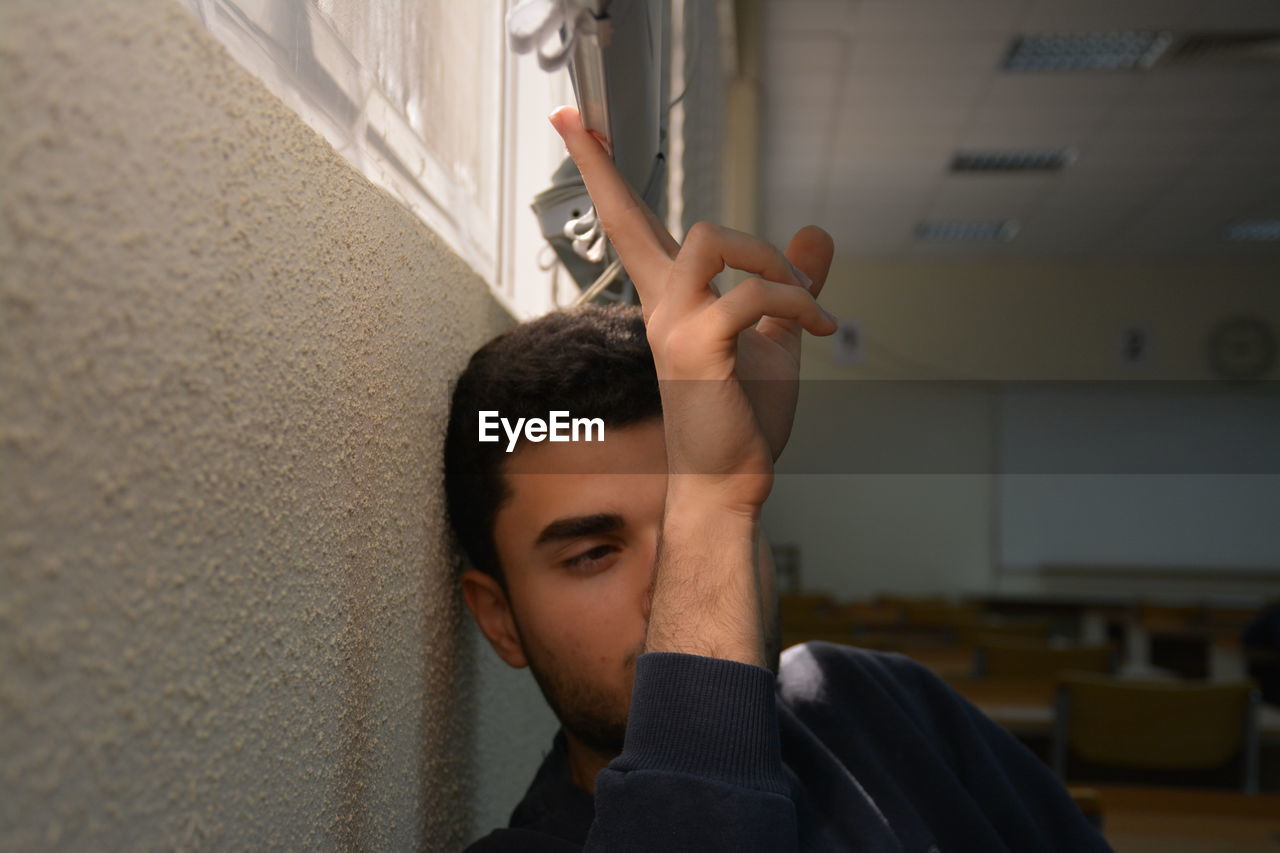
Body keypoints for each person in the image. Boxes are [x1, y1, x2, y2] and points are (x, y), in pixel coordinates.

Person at [443, 106, 1111, 852]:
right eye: (594, 552)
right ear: (501, 618)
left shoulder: (874, 700)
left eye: (702, 525)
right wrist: (711, 498)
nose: (673, 586)